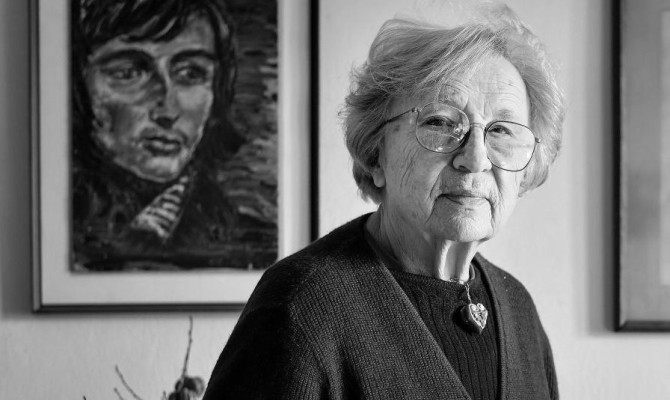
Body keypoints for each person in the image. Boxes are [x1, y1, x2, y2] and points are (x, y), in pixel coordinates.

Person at [204, 3, 564, 399]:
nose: (475, 158)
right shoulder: (300, 307)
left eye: (501, 131)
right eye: (440, 123)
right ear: (376, 156)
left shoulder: (517, 308)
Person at [71, 0, 277, 271]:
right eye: (127, 73)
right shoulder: (53, 232)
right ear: (78, 86)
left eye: (191, 73)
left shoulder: (257, 247)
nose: (168, 110)